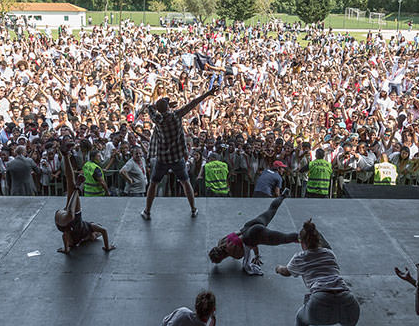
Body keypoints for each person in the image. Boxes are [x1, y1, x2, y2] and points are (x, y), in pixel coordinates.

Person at [275, 220, 365, 326]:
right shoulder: (330, 254)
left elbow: (287, 272)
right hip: (348, 300)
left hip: (320, 302)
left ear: (302, 243)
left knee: (301, 319)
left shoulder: (300, 257)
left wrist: (278, 268)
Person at [140, 85, 219, 220]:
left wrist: (164, 105)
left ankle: (147, 211)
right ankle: (193, 209)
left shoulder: (156, 119)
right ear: (168, 107)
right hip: (177, 157)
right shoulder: (177, 115)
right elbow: (194, 102)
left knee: (153, 183)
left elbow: (150, 108)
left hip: (162, 158)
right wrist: (209, 93)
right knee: (185, 182)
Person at [208, 189, 328, 275]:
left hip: (254, 234)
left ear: (222, 257)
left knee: (285, 238)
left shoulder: (234, 253)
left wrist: (256, 256)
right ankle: (283, 195)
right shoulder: (222, 241)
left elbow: (251, 244)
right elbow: (238, 234)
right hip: (249, 225)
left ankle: (311, 236)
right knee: (271, 210)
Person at [54, 141, 114, 254]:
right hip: (68, 218)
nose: (95, 236)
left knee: (71, 192)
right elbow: (104, 230)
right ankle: (66, 156)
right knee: (70, 184)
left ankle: (76, 189)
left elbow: (65, 236)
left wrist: (66, 249)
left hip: (65, 222)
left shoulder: (80, 239)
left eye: (96, 236)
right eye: (97, 235)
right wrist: (107, 247)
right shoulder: (89, 228)